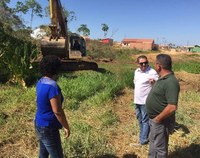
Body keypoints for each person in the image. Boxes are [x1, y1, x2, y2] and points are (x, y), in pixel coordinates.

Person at [34, 55, 70, 158]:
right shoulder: (53, 86)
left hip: (39, 123)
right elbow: (57, 111)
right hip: (48, 127)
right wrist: (66, 127)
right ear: (56, 68)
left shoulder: (40, 81)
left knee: (43, 154)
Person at [146, 54, 180, 158]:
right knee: (153, 144)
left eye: (155, 63)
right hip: (154, 120)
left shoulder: (171, 82)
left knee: (160, 149)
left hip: (160, 121)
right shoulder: (163, 79)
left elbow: (172, 107)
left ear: (158, 66)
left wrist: (158, 119)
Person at [133, 55, 158, 145]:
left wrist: (153, 83)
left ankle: (143, 139)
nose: (144, 64)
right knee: (139, 119)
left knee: (145, 121)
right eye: (141, 63)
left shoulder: (152, 72)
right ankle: (143, 135)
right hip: (137, 100)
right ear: (137, 64)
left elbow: (158, 85)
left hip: (145, 101)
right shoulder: (137, 71)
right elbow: (135, 83)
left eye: (145, 63)